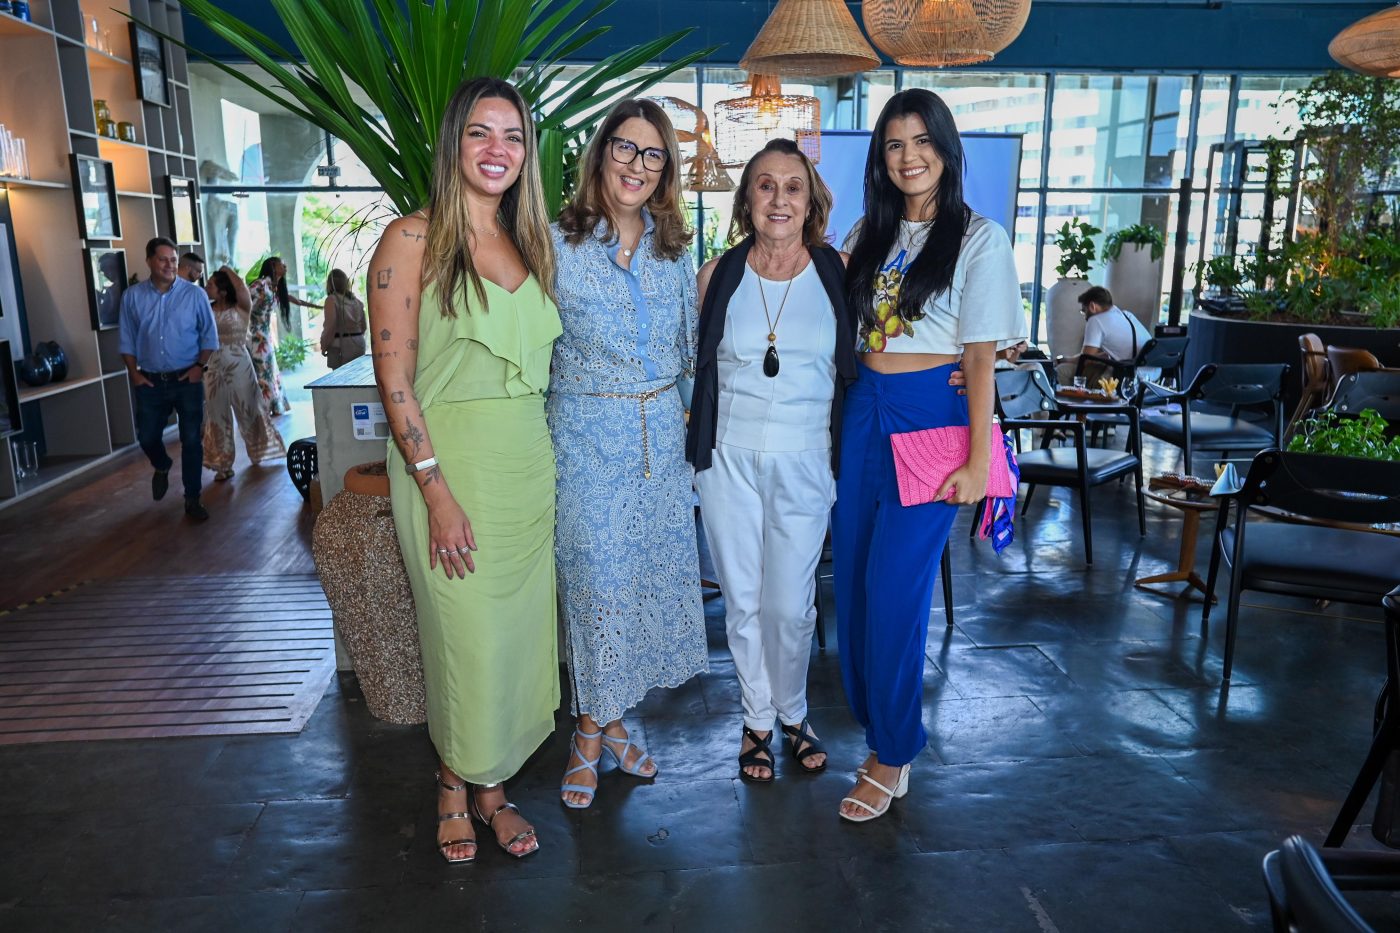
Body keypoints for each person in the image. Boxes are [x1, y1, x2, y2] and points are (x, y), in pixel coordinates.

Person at [370, 76, 561, 863]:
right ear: (453, 144)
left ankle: (493, 790)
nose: (497, 150)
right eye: (480, 134)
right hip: (449, 473)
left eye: (512, 137)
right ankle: (454, 783)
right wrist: (435, 490)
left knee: (514, 642)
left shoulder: (530, 241)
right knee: (466, 639)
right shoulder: (412, 239)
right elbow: (395, 381)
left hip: (525, 467)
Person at [835, 89, 1025, 822]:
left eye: (922, 141)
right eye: (893, 144)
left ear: (946, 147)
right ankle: (880, 727)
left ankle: (894, 752)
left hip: (932, 423)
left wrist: (979, 460)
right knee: (851, 579)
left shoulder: (979, 238)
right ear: (880, 159)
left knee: (895, 591)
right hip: (863, 415)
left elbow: (979, 362)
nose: (909, 156)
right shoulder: (871, 231)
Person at [550, 98, 706, 809]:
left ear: (665, 169)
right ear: (599, 151)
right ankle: (589, 735)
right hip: (583, 437)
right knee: (596, 588)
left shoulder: (676, 248)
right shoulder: (554, 241)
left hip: (659, 446)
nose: (636, 165)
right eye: (624, 147)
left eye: (652, 154)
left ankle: (610, 724)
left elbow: (692, 353)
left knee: (638, 588)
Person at [685, 138, 852, 782]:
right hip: (727, 457)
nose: (778, 198)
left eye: (793, 186)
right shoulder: (717, 275)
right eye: (764, 185)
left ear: (810, 201)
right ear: (745, 199)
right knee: (742, 599)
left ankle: (795, 711)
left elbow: (869, 351)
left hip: (807, 456)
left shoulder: (835, 272)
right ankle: (760, 718)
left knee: (790, 602)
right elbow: (693, 370)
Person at [118, 237, 220, 522]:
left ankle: (192, 498)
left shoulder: (195, 295)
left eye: (173, 260)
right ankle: (161, 465)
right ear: (149, 260)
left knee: (191, 439)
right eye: (163, 259)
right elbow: (126, 340)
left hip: (187, 378)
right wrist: (134, 374)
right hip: (149, 381)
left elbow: (209, 337)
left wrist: (201, 365)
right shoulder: (133, 297)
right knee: (147, 437)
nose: (169, 265)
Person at [202, 264, 288, 481]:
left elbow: (240, 287)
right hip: (212, 367)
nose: (206, 287)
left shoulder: (241, 307)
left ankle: (259, 450)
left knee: (249, 409)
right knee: (216, 413)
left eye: (211, 284)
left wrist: (226, 269)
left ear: (222, 289)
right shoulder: (206, 308)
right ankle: (222, 463)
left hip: (239, 363)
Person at [1076, 285, 1151, 384]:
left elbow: (1085, 360)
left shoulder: (1095, 320)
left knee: (1063, 371)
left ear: (1092, 306)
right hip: (1151, 379)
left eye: (1084, 311)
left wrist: (1062, 361)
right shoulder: (1127, 315)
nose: (1085, 317)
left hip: (1129, 378)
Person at [248, 257, 293, 416]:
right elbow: (244, 303)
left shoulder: (275, 287)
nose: (285, 266)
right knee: (262, 370)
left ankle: (273, 405)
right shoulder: (259, 284)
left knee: (269, 369)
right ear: (273, 266)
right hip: (255, 334)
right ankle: (263, 408)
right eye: (282, 263)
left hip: (265, 334)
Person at [318, 269, 367, 369]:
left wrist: (324, 345)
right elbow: (364, 326)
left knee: (341, 381)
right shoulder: (357, 301)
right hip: (359, 342)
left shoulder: (332, 300)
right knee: (357, 378)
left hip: (341, 345)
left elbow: (330, 326)